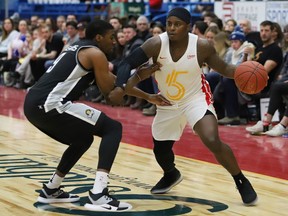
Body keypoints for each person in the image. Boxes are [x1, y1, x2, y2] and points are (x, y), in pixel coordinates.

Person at [109, 7, 258, 205]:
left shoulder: (201, 46)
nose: (171, 28)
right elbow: (127, 63)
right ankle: (171, 174)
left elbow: (224, 69)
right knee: (160, 151)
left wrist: (241, 71)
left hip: (195, 98)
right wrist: (121, 86)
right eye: (169, 24)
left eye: (177, 24)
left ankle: (241, 180)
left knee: (211, 139)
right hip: (167, 101)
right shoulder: (155, 44)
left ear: (188, 27)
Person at [23, 20, 136, 212]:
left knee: (82, 140)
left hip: (33, 103)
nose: (114, 42)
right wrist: (133, 81)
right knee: (112, 128)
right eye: (111, 37)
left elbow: (116, 81)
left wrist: (150, 96)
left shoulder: (76, 47)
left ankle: (51, 189)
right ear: (99, 38)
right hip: (50, 103)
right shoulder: (95, 53)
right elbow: (111, 95)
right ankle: (99, 195)